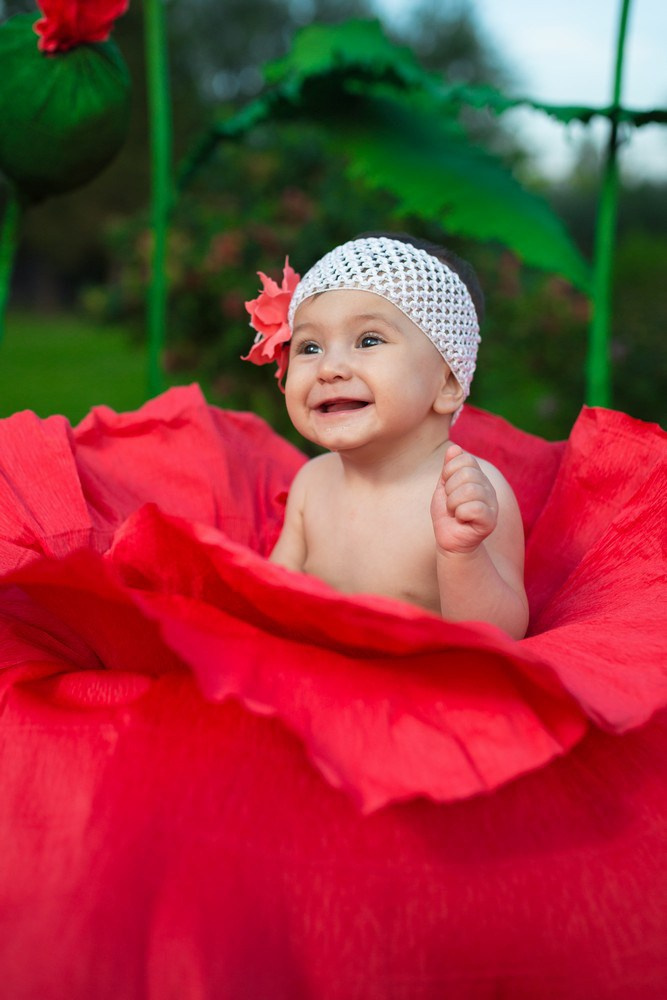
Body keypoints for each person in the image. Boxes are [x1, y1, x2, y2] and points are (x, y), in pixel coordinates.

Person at [245, 234, 529, 639]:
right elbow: (272, 597)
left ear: (447, 383)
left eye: (369, 340)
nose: (330, 368)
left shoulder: (469, 492)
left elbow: (505, 634)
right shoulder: (313, 482)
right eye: (309, 346)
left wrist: (462, 553)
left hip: (421, 692)